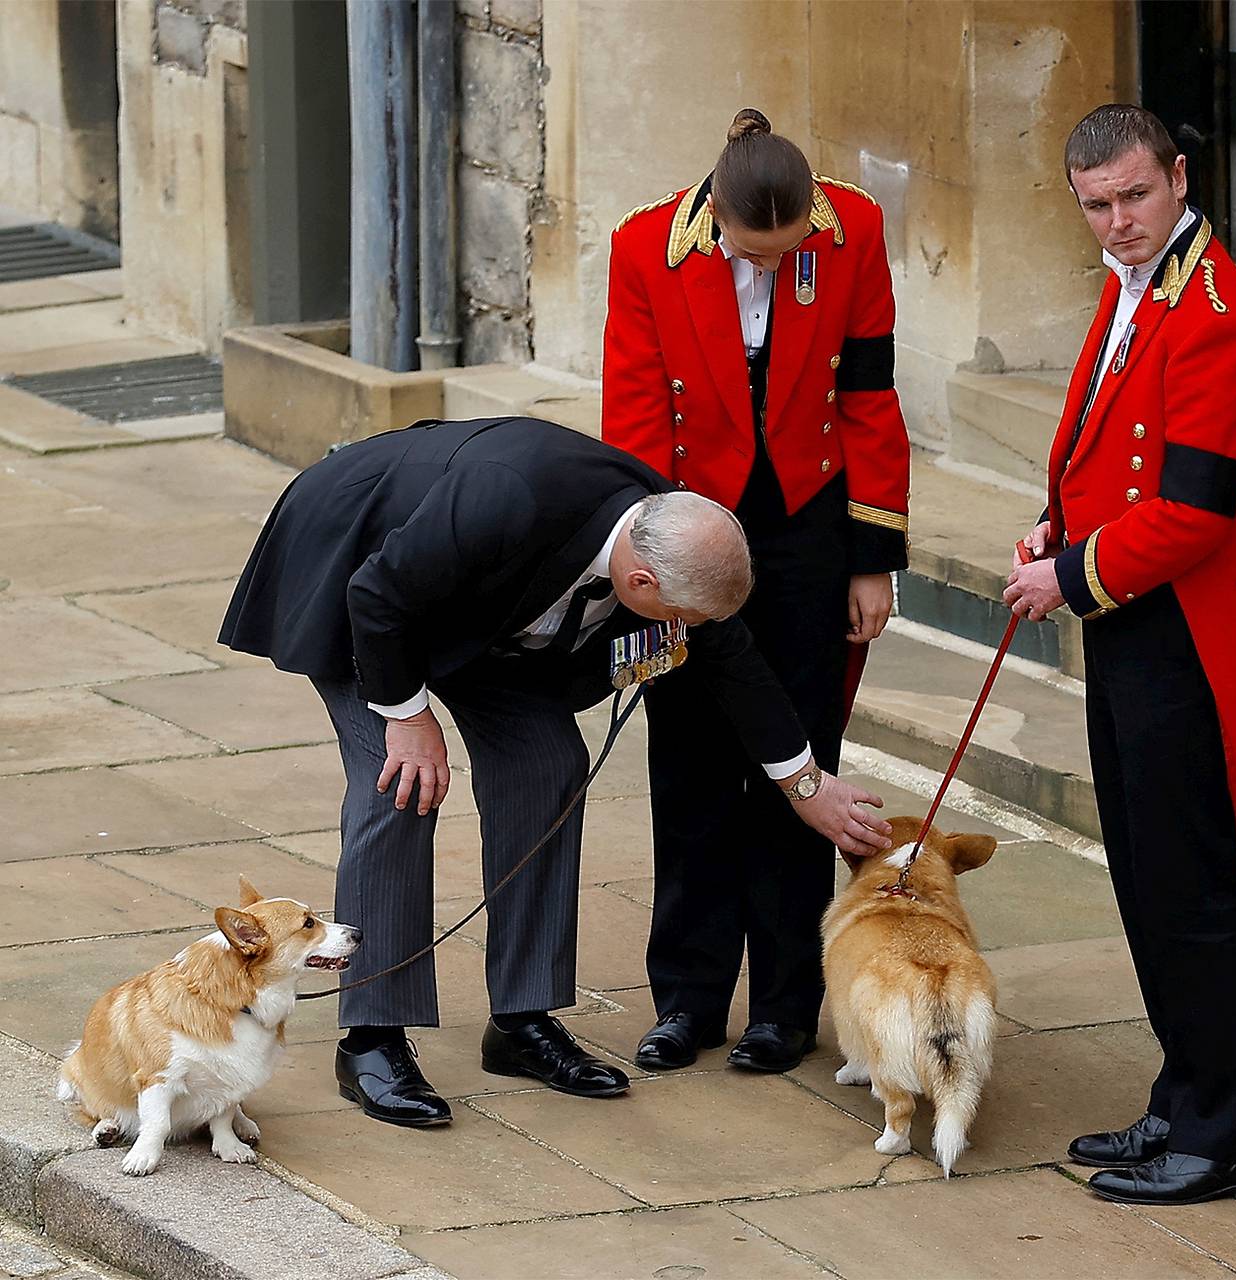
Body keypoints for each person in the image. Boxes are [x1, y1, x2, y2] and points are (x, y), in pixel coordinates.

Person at [219, 415, 893, 1128]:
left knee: (548, 761)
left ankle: (521, 1021)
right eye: (682, 617)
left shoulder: (674, 535)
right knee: (400, 786)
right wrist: (410, 719)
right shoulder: (508, 499)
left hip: (481, 607)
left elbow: (733, 659)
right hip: (357, 571)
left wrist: (805, 784)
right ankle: (372, 1040)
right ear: (639, 580)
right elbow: (379, 596)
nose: (688, 629)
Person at [1004, 104, 1236, 1205]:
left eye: (1134, 195)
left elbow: (1196, 509)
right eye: (1096, 205)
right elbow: (1102, 446)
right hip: (1132, 619)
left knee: (1191, 887)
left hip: (1187, 635)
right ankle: (1183, 1095)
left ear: (1176, 179)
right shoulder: (1139, 285)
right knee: (1145, 875)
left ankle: (1231, 1137)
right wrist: (1053, 524)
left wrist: (1067, 575)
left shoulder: (1213, 313)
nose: (1118, 221)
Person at [602, 109, 911, 1072]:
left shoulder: (855, 227)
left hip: (809, 526)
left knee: (801, 758)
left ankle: (784, 1005)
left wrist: (873, 557)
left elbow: (870, 394)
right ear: (717, 217)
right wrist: (654, 566)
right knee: (689, 764)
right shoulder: (643, 246)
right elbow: (633, 413)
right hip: (691, 521)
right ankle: (687, 1000)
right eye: (753, 254)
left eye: (787, 253)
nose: (772, 268)